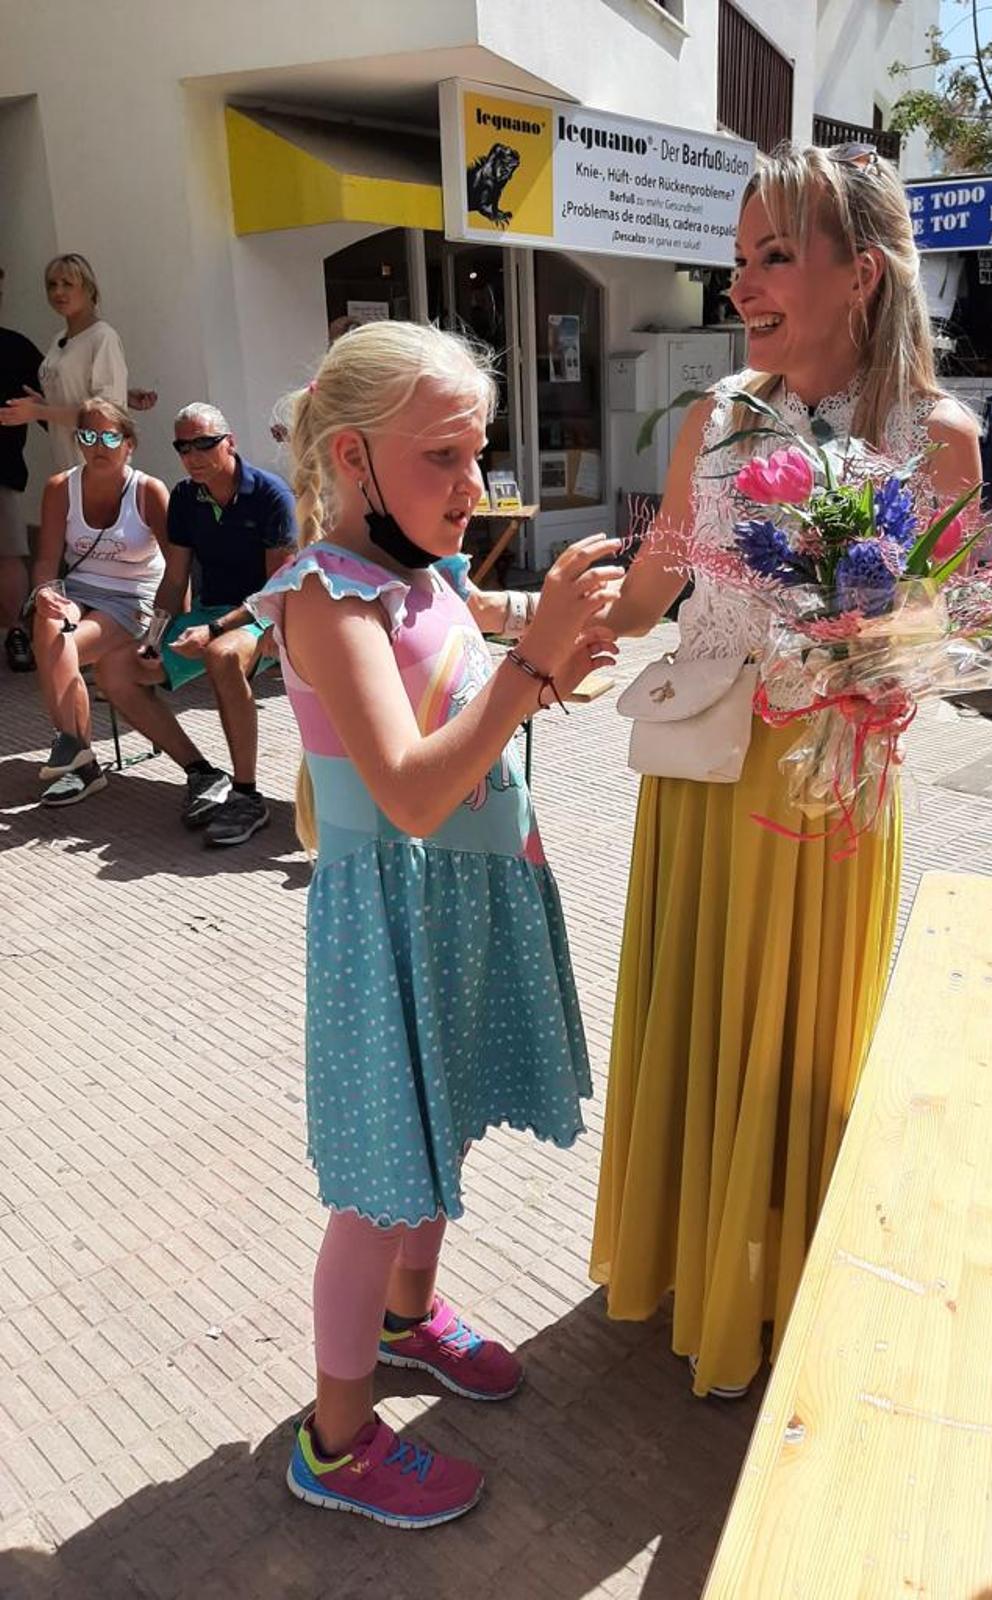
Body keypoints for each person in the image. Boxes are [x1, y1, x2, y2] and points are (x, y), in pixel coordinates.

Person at [588, 143, 982, 1399]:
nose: (742, 284)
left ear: (860, 273)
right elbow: (656, 577)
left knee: (802, 1043)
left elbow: (935, 636)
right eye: (738, 258)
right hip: (705, 766)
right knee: (701, 1017)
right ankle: (692, 1261)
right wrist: (524, 633)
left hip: (831, 782)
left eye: (773, 256)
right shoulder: (715, 415)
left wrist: (868, 645)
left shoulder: (937, 438)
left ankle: (787, 1285)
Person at [244, 320, 619, 1528]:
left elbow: (491, 640)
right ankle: (336, 1440)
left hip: (459, 908)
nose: (474, 486)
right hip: (392, 927)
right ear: (352, 458)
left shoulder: (425, 575)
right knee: (374, 1189)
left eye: (479, 454)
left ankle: (408, 1318)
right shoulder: (325, 598)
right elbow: (408, 793)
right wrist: (531, 669)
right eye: (443, 457)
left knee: (435, 1132)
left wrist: (572, 631)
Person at [94, 404, 297, 846]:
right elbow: (174, 578)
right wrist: (153, 639)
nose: (193, 455)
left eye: (204, 443)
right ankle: (202, 772)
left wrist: (215, 630)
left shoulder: (271, 494)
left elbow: (275, 592)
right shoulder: (185, 497)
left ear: (230, 442)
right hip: (211, 613)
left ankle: (247, 795)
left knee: (221, 655)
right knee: (115, 669)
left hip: (264, 615)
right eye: (183, 447)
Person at [28, 399, 168, 805]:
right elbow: (46, 561)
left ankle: (77, 756)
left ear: (129, 444)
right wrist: (45, 593)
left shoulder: (148, 491)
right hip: (80, 590)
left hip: (133, 596)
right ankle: (80, 755)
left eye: (109, 437)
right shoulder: (61, 487)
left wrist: (162, 634)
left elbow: (179, 565)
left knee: (59, 644)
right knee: (48, 624)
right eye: (88, 436)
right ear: (78, 441)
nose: (98, 446)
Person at [0, 254, 153, 474]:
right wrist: (43, 404)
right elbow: (77, 395)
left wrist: (40, 412)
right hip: (68, 465)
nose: (58, 292)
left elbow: (104, 415)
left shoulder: (102, 337)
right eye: (52, 285)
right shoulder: (59, 339)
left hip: (98, 467)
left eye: (67, 284)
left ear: (88, 289)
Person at [0, 266, 43, 672]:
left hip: (3, 469)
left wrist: (119, 400)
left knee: (9, 553)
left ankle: (15, 630)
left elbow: (51, 397)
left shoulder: (15, 348)